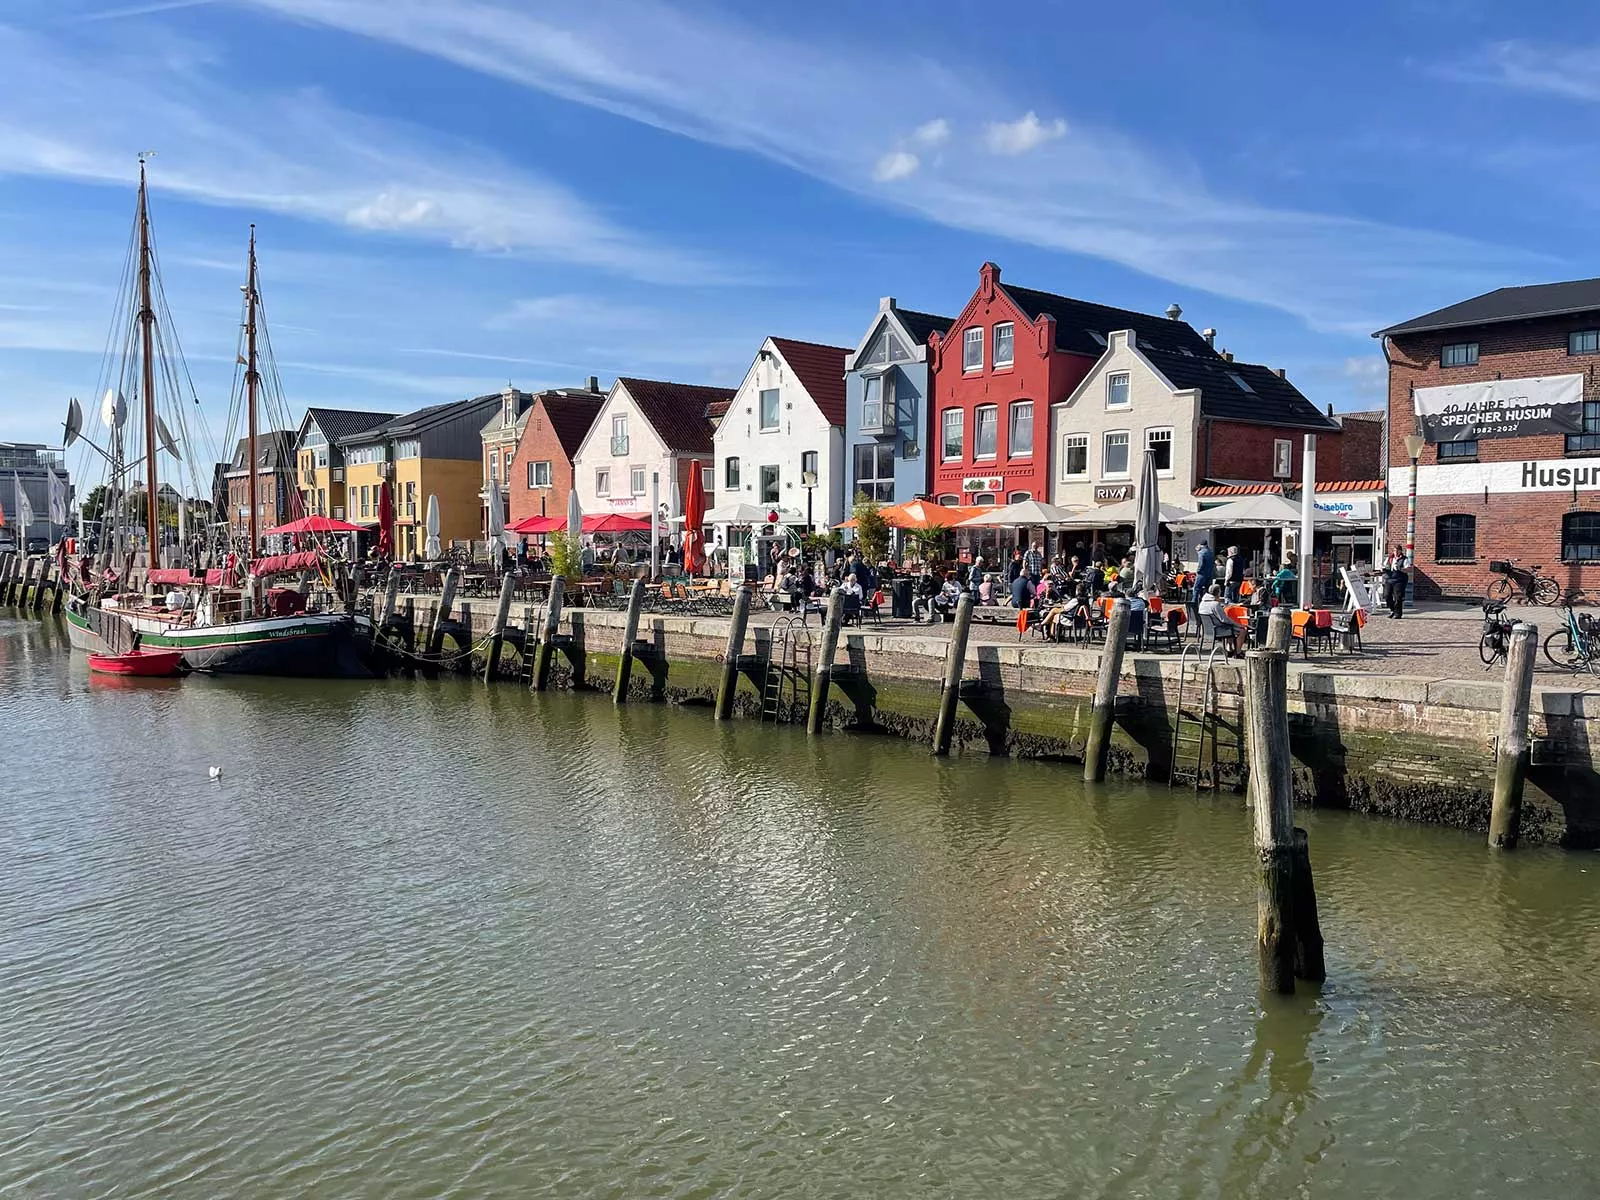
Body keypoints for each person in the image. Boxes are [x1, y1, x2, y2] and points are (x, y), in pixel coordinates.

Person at [1198, 583, 1246, 655]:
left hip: (1206, 630)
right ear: (1218, 593)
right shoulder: (1215, 604)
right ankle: (1238, 652)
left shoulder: (1202, 603)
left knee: (1230, 627)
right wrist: (1238, 625)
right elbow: (1224, 620)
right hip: (1218, 630)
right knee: (1242, 630)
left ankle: (1229, 649)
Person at [1382, 551, 1408, 618]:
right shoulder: (1389, 558)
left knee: (1398, 597)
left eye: (1397, 551)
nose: (1395, 553)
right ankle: (1392, 609)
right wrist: (1384, 568)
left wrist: (1400, 569)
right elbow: (1384, 566)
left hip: (1399, 580)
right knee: (1386, 595)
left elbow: (1408, 569)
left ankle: (1398, 614)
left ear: (1400, 551)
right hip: (1389, 579)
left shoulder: (1404, 559)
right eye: (1394, 551)